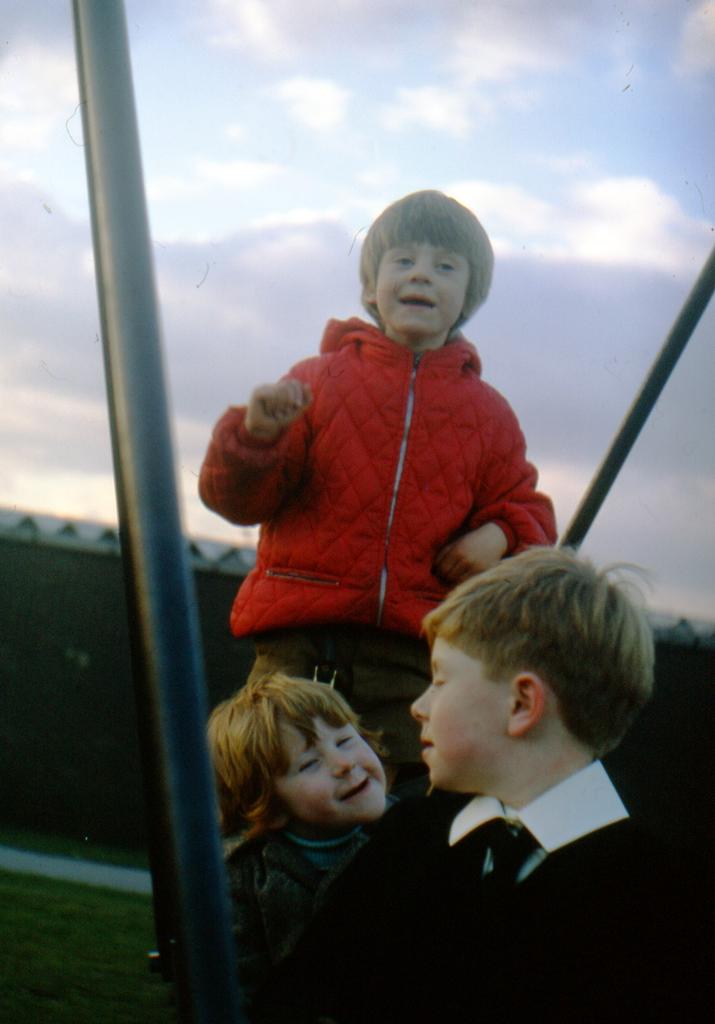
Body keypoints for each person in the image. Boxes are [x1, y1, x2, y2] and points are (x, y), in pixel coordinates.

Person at [255, 547, 711, 1023]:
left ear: (521, 704)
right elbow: (293, 998)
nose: (418, 707)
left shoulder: (666, 907)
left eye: (440, 680)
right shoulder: (406, 837)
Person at [199, 190, 556, 779]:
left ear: (468, 297)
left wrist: (499, 535)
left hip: (414, 659)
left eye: (445, 266)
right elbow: (235, 500)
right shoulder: (315, 381)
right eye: (404, 260)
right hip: (298, 647)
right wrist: (257, 435)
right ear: (371, 287)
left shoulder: (490, 415)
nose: (422, 274)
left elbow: (531, 513)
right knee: (275, 786)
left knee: (398, 797)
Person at [206, 672, 388, 1006]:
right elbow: (236, 989)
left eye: (345, 741)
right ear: (270, 805)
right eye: (310, 764)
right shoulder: (242, 877)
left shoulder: (413, 837)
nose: (344, 764)